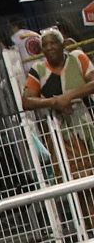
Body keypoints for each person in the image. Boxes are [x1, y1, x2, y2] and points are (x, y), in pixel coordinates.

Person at [21, 27, 94, 224]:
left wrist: (68, 97)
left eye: (53, 43)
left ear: (63, 44)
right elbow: (27, 101)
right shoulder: (39, 70)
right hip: (62, 134)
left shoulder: (77, 58)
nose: (49, 47)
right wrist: (53, 103)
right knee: (79, 186)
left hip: (86, 123)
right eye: (45, 45)